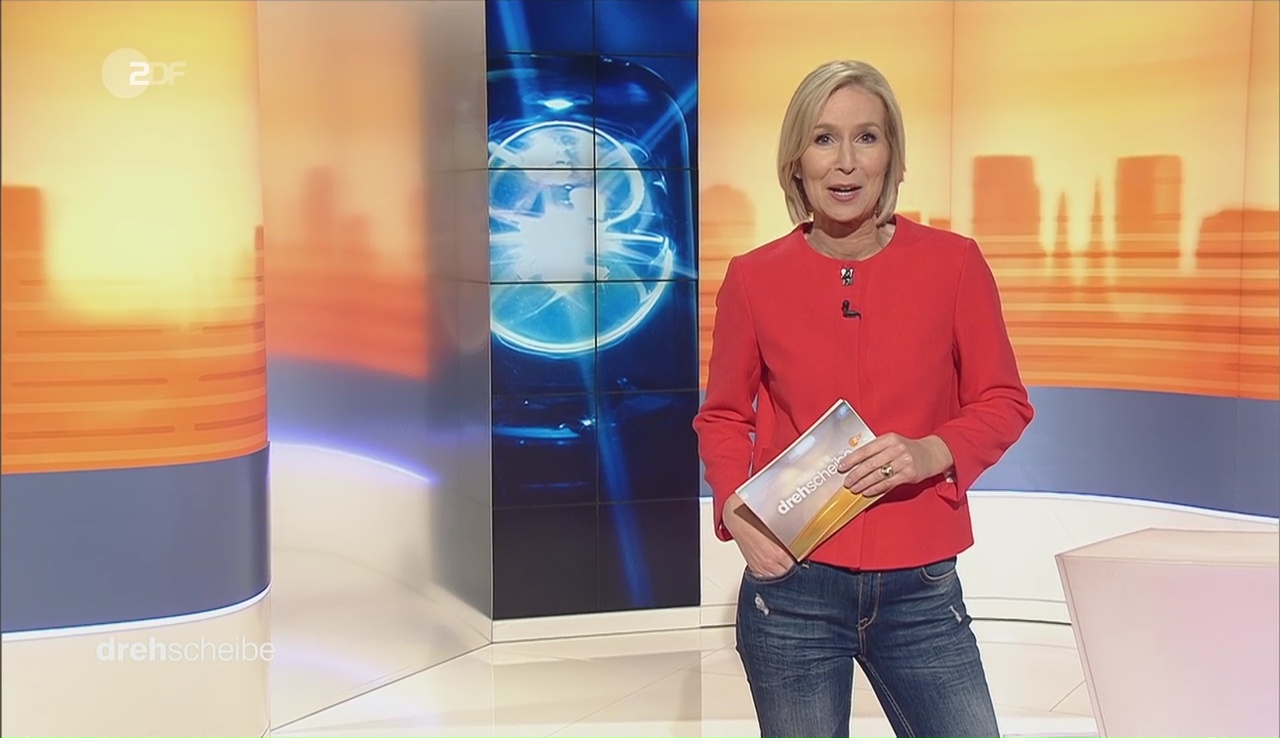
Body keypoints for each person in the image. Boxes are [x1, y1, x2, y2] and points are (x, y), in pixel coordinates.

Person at [692, 59, 1035, 738]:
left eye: (866, 137)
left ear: (891, 155)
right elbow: (724, 416)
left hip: (920, 587)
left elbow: (1003, 399)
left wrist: (933, 450)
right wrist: (735, 508)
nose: (845, 162)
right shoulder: (754, 278)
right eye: (824, 139)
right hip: (794, 587)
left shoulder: (954, 264)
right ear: (797, 161)